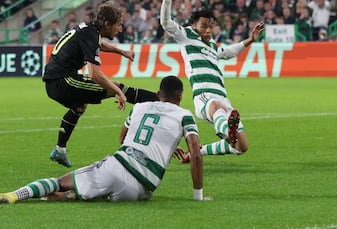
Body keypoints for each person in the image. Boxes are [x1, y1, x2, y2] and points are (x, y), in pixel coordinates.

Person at [0, 76, 209, 203]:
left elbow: (123, 138)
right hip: (143, 190)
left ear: (157, 93)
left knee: (59, 182)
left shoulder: (139, 107)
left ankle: (14, 195)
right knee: (95, 191)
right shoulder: (184, 114)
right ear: (180, 97)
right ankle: (69, 196)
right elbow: (196, 155)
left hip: (119, 168)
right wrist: (198, 196)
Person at [43, 1, 158, 168]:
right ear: (107, 24)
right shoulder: (91, 34)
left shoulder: (89, 30)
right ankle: (160, 100)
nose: (120, 29)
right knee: (118, 86)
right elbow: (95, 74)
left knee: (80, 106)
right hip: (63, 81)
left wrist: (121, 51)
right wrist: (117, 91)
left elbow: (99, 44)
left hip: (56, 81)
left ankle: (60, 150)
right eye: (118, 25)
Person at [160, 0, 264, 162]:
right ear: (194, 26)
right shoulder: (186, 36)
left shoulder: (214, 47)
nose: (208, 30)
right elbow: (166, 22)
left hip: (223, 97)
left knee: (242, 147)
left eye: (211, 27)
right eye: (203, 26)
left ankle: (199, 151)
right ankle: (227, 131)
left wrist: (250, 40)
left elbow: (229, 52)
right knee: (216, 108)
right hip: (204, 96)